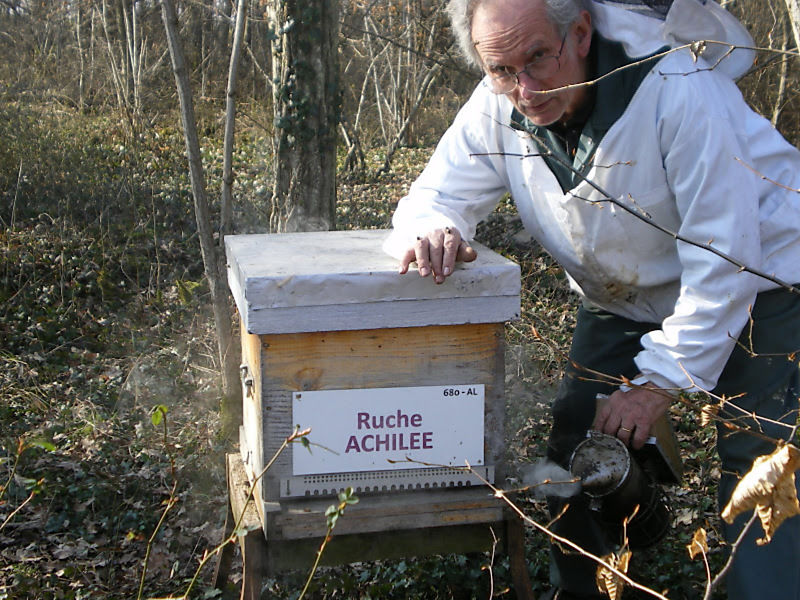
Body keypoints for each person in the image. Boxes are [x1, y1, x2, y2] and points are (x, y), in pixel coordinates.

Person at [382, 0, 800, 598]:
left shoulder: (676, 88)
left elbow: (725, 258)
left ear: (579, 33)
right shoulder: (495, 102)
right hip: (626, 292)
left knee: (763, 467)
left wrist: (656, 384)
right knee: (579, 444)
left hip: (765, 277)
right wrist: (434, 225)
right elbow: (437, 193)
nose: (523, 89)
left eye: (536, 59)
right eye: (500, 70)